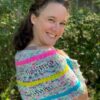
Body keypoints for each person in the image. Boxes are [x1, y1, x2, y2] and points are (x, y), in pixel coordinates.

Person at [13, 0, 88, 100]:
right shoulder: (51, 58)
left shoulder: (21, 55)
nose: (56, 29)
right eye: (51, 20)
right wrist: (70, 63)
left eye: (62, 23)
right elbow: (82, 97)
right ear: (34, 18)